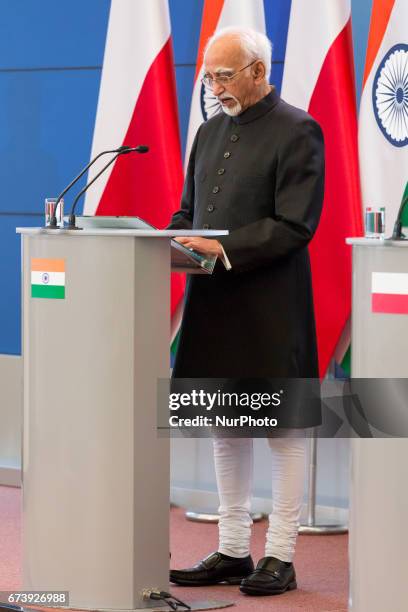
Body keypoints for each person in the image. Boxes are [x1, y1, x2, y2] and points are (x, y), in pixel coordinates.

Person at [168, 26, 325, 597]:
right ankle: (234, 549)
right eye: (209, 76)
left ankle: (280, 555)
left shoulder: (300, 129)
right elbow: (188, 211)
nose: (214, 87)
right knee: (225, 428)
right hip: (212, 300)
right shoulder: (209, 132)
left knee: (281, 431)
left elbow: (295, 224)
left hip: (271, 306)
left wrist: (223, 244)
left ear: (259, 70)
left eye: (224, 75)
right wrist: (176, 240)